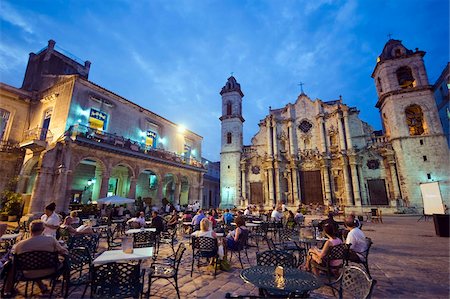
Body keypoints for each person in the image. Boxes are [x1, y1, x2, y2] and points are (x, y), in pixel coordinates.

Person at [4, 220, 68, 296]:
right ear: (43, 229)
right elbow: (64, 252)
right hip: (50, 270)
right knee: (63, 260)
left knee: (28, 263)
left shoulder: (20, 245)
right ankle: (66, 281)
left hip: (27, 273)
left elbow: (14, 258)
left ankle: (7, 290)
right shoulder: (50, 240)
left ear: (30, 229)